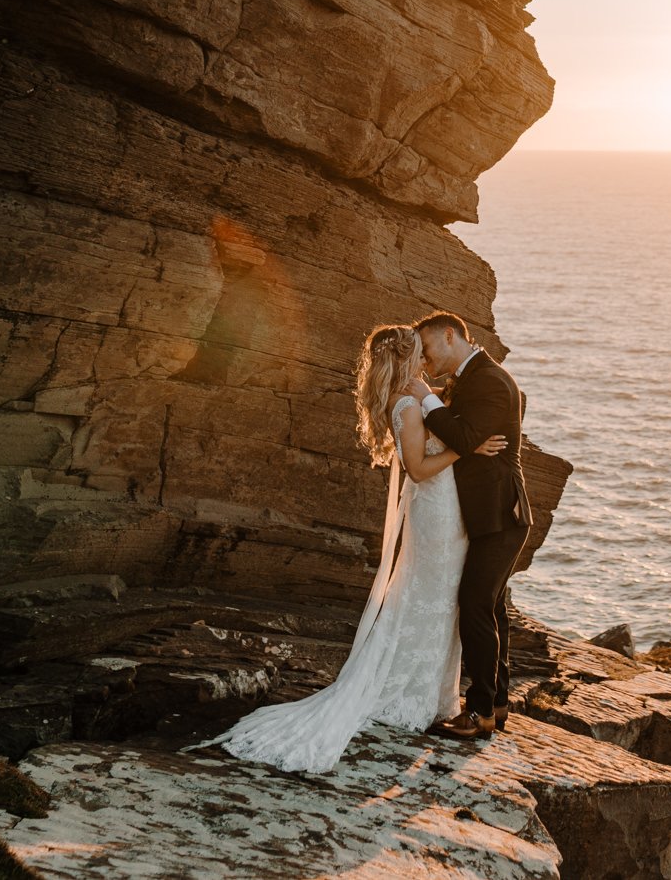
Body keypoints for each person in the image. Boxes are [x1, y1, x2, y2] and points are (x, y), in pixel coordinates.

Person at [194, 324, 504, 772]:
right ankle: (410, 693)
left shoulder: (412, 397)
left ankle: (438, 694)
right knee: (433, 598)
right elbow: (418, 469)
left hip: (445, 511)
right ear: (405, 359)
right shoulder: (406, 406)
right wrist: (467, 446)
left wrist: (460, 425)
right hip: (436, 512)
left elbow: (447, 417)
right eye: (419, 353)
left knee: (440, 599)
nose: (426, 361)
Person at [412, 310, 533, 739]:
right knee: (492, 609)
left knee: (476, 604)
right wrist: (463, 430)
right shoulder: (472, 377)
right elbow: (465, 436)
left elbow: (461, 438)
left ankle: (479, 711)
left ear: (450, 336)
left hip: (502, 515)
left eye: (426, 349)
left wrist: (425, 397)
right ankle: (497, 703)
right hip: (490, 514)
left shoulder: (490, 380)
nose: (424, 360)